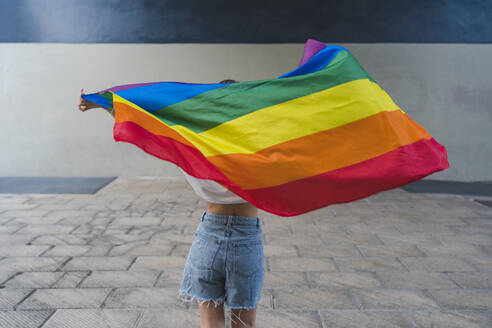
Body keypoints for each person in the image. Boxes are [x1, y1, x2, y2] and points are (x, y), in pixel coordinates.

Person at [78, 79, 264, 328]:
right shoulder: (259, 152)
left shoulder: (192, 149)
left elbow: (142, 120)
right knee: (245, 324)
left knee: (211, 324)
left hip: (209, 237)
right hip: (246, 241)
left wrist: (101, 103)